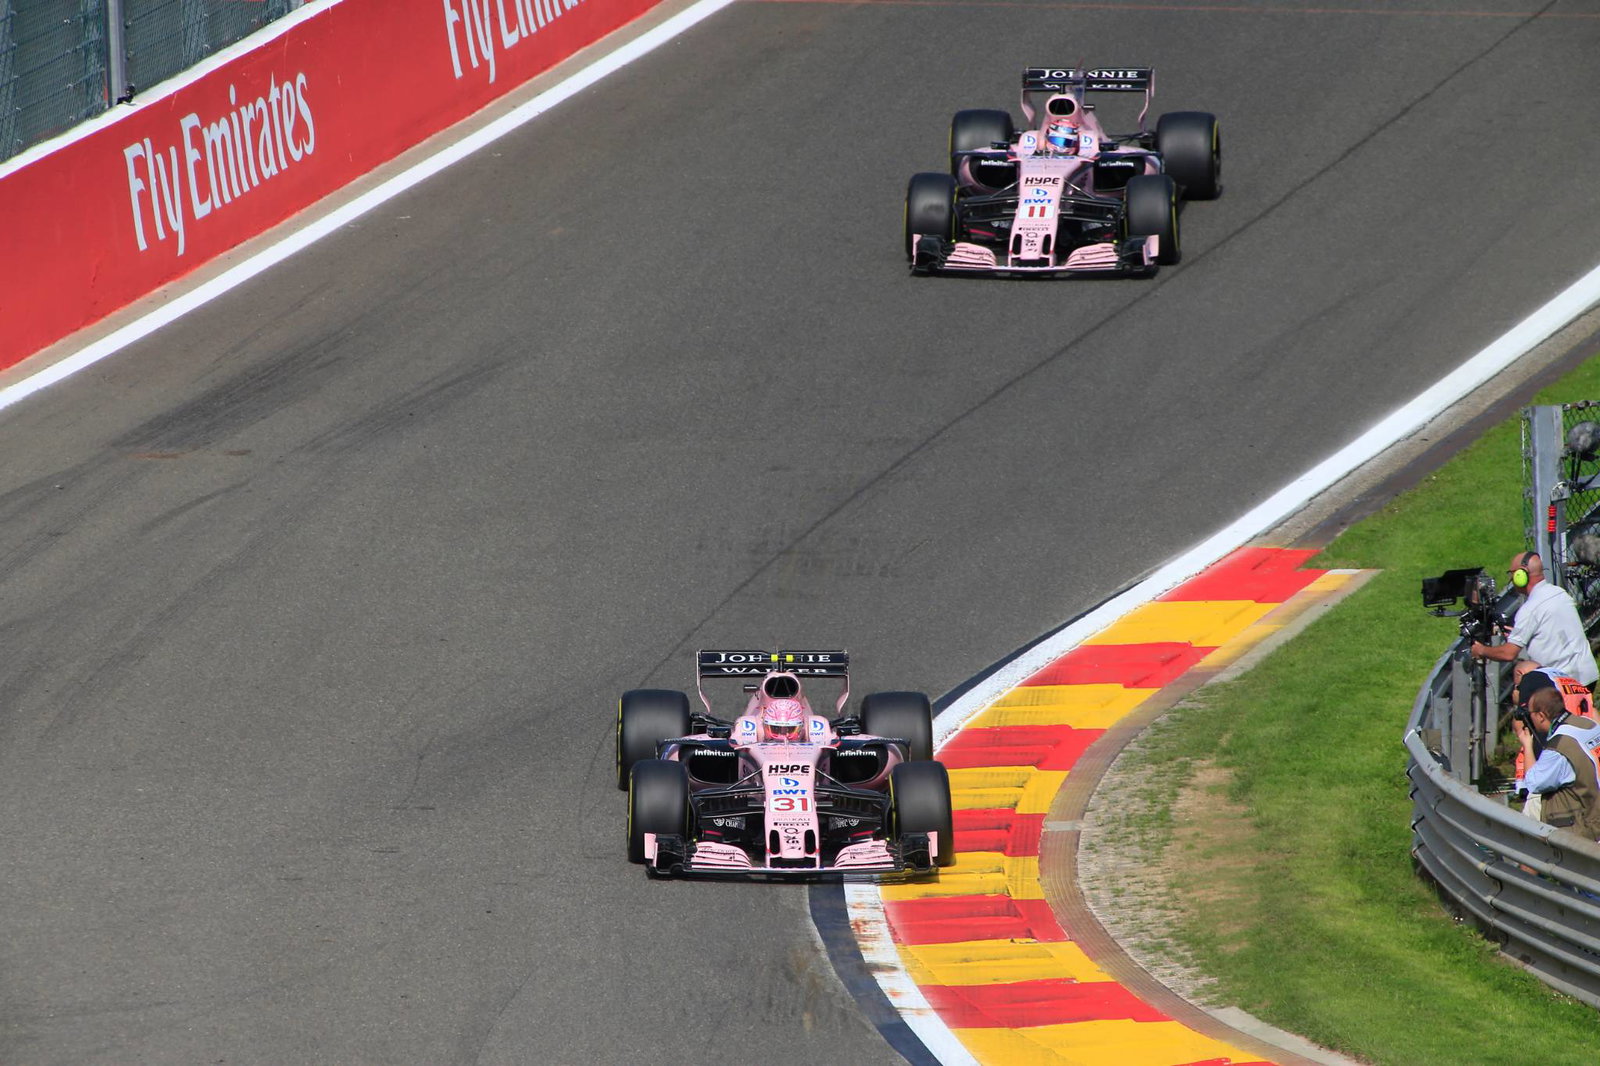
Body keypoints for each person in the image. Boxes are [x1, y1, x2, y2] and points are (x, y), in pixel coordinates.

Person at [1471, 551, 1598, 687]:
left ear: (1521, 575)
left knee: (1522, 682)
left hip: (1564, 684)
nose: (1512, 580)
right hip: (1588, 676)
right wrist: (1522, 633)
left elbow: (1508, 654)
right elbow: (1552, 628)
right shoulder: (1559, 593)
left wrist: (1481, 650)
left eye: (1512, 574)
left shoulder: (1530, 609)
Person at [1514, 687, 1600, 839]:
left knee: (1533, 807)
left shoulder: (1559, 747)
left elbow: (1534, 784)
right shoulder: (1588, 724)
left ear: (1541, 716)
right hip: (1594, 806)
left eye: (1531, 713)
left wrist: (1527, 745)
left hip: (1585, 826)